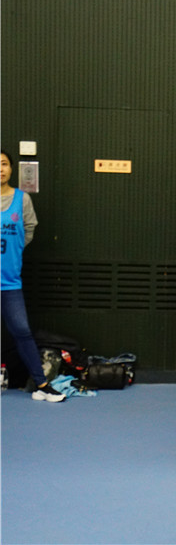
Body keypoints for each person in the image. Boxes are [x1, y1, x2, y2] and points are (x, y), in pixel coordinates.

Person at [0, 150, 65, 403]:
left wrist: (14, 251)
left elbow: (29, 230)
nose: (0, 169)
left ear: (11, 169)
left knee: (22, 331)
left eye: (4, 164)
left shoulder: (22, 199)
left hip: (10, 283)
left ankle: (42, 385)